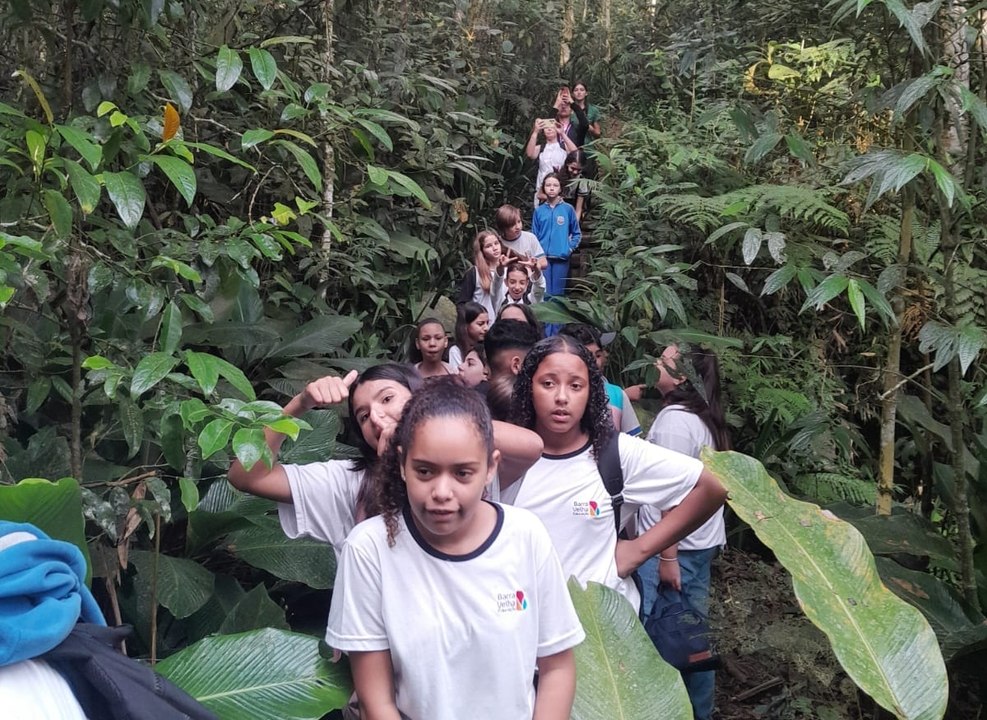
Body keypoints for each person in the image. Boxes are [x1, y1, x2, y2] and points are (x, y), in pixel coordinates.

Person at [326, 380, 584, 720]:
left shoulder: (526, 536)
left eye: (463, 473)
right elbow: (378, 702)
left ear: (491, 467)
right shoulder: (368, 549)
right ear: (402, 464)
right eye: (425, 471)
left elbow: (556, 668)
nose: (442, 492)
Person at [502, 335, 728, 614]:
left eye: (576, 386)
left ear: (591, 392)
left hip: (606, 632)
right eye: (548, 383)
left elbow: (712, 487)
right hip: (530, 625)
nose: (562, 397)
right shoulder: (505, 458)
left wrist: (640, 550)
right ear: (528, 387)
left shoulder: (616, 453)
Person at [227, 363, 544, 555]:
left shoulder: (466, 465)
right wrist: (300, 404)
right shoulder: (348, 482)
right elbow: (247, 475)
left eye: (388, 399)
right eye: (363, 416)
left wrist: (427, 423)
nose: (377, 418)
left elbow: (530, 445)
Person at [637, 345, 730, 720]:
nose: (654, 364)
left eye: (663, 361)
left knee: (669, 638)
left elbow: (671, 494)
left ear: (681, 378)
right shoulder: (700, 416)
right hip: (696, 546)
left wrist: (666, 556)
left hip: (677, 550)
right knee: (693, 641)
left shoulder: (676, 421)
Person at [560, 323, 641, 436]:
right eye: (587, 356)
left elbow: (633, 443)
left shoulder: (616, 394)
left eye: (598, 355)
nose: (596, 363)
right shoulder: (559, 396)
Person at [532, 173, 581, 301]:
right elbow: (534, 236)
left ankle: (558, 322)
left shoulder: (568, 209)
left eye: (555, 185)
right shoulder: (539, 211)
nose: (552, 188)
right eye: (548, 185)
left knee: (558, 296)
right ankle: (546, 322)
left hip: (561, 258)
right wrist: (537, 255)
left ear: (560, 188)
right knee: (545, 293)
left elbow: (576, 233)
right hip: (543, 260)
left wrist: (568, 248)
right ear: (543, 188)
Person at [525, 119, 577, 207]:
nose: (549, 129)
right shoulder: (541, 148)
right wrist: (535, 131)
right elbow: (530, 154)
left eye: (552, 127)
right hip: (542, 188)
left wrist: (562, 133)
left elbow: (575, 153)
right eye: (546, 128)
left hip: (560, 187)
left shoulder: (563, 147)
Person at [456, 230, 507, 320]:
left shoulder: (509, 271)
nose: (494, 248)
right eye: (488, 246)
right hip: (480, 326)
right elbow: (462, 304)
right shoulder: (474, 272)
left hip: (503, 326)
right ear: (482, 251)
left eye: (496, 243)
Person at [494, 204, 548, 272]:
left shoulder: (530, 238)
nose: (518, 227)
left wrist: (533, 264)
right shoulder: (497, 243)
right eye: (512, 225)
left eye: (519, 222)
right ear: (503, 227)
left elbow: (544, 262)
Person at [448, 301, 490, 372]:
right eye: (480, 324)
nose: (486, 328)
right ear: (466, 325)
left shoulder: (487, 347)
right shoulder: (456, 351)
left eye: (487, 323)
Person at [556, 150, 591, 223]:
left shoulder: (582, 181)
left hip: (571, 212)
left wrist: (575, 225)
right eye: (573, 168)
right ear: (567, 164)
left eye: (578, 170)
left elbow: (578, 208)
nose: (575, 172)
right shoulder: (557, 176)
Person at [569, 82, 602, 146]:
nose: (579, 92)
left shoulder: (593, 110)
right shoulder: (568, 110)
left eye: (582, 90)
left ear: (586, 93)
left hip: (588, 147)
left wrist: (589, 127)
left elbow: (598, 134)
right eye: (576, 90)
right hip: (572, 146)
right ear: (572, 94)